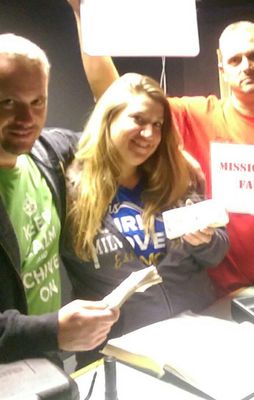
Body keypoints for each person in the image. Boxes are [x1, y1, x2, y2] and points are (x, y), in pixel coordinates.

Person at [67, 0, 254, 295]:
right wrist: (83, 15)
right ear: (222, 68)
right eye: (235, 60)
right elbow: (115, 96)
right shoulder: (196, 115)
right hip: (222, 289)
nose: (246, 67)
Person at [62, 72, 229, 367]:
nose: (149, 135)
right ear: (109, 119)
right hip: (119, 354)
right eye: (138, 120)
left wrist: (206, 241)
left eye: (157, 125)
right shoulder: (71, 189)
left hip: (195, 337)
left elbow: (217, 252)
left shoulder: (175, 175)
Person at [0, 33, 119, 365]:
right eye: (8, 102)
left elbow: (117, 124)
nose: (27, 119)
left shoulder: (48, 153)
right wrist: (50, 331)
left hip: (46, 370)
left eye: (37, 101)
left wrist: (176, 153)